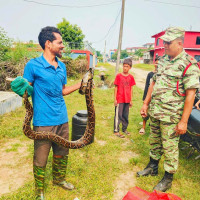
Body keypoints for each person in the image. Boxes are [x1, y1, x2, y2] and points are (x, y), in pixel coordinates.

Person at [11, 26, 81, 200]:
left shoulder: (62, 66)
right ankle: (39, 191)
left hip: (62, 118)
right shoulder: (33, 65)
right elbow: (26, 89)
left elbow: (62, 91)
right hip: (43, 121)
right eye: (60, 42)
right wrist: (22, 89)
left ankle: (59, 179)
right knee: (41, 157)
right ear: (48, 44)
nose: (63, 46)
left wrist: (81, 84)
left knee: (62, 152)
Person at [137, 27, 200, 192]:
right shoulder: (163, 60)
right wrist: (145, 103)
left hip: (172, 116)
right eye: (163, 41)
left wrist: (184, 121)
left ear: (179, 43)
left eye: (168, 42)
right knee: (154, 141)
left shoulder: (189, 64)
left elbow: (191, 95)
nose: (164, 44)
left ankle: (168, 177)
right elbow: (153, 82)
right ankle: (152, 167)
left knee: (170, 147)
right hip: (156, 111)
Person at [114, 58, 136, 138]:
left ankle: (124, 129)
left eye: (127, 66)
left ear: (130, 67)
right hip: (120, 99)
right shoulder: (118, 76)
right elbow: (116, 87)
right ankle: (116, 130)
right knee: (118, 115)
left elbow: (131, 89)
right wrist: (115, 99)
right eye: (124, 66)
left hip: (127, 100)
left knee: (125, 115)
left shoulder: (131, 77)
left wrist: (131, 100)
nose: (125, 68)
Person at [139, 56, 160, 135]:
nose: (157, 65)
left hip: (157, 98)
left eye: (159, 64)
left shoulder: (162, 75)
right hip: (149, 97)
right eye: (156, 63)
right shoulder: (150, 74)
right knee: (145, 113)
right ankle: (143, 127)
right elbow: (146, 87)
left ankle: (153, 129)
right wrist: (145, 99)